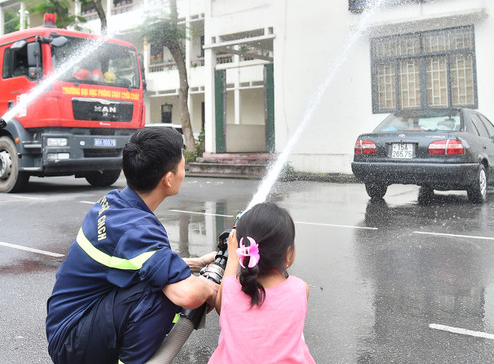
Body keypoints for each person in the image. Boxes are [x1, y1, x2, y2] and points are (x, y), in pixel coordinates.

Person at [46, 127, 219, 364]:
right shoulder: (136, 229)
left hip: (71, 325)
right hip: (71, 343)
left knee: (161, 279)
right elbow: (188, 295)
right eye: (183, 165)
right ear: (168, 179)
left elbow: (132, 263)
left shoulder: (115, 203)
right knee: (162, 294)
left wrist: (195, 265)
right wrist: (212, 287)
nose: (184, 171)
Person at [209, 202, 316, 364]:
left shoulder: (231, 287)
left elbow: (222, 307)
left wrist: (232, 259)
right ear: (288, 254)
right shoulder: (300, 289)